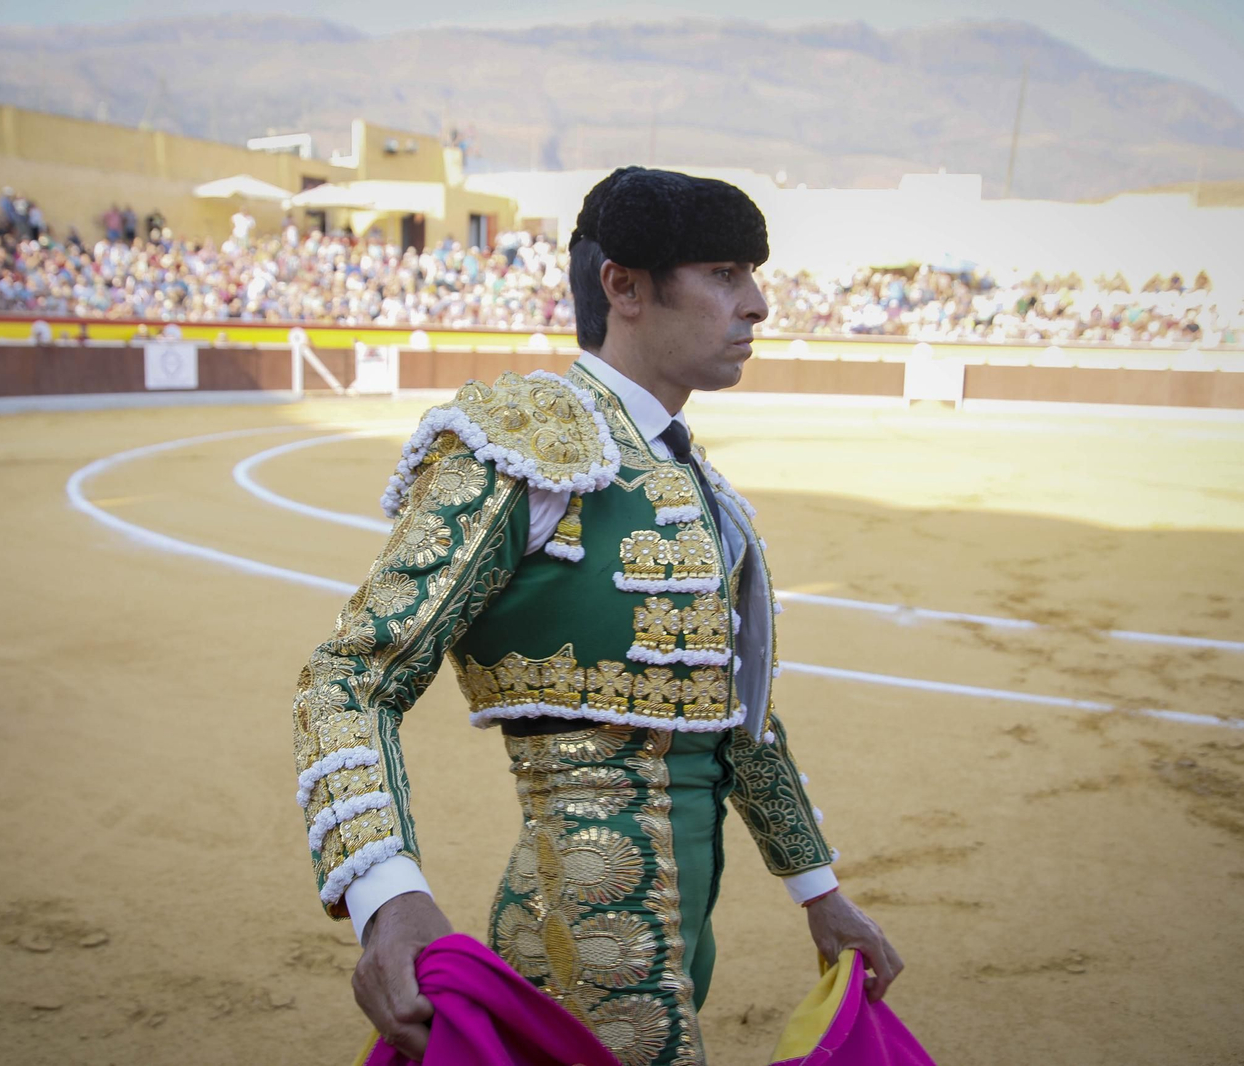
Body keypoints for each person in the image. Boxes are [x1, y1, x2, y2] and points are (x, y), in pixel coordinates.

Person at [291, 167, 902, 1065]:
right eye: (725, 273)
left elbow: (738, 721)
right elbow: (348, 675)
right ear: (624, 286)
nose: (759, 303)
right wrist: (388, 893)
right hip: (574, 937)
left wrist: (820, 891)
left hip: (682, 923)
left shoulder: (694, 480)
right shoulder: (528, 445)